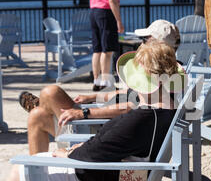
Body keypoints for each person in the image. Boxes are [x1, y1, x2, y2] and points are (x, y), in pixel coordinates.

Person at [0, 40, 185, 181]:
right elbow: (105, 145)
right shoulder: (167, 109)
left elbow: (89, 154)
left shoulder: (141, 120)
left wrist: (68, 153)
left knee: (20, 170)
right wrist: (84, 147)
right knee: (38, 149)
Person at [18, 20, 181, 155]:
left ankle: (48, 111)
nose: (141, 43)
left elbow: (127, 108)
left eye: (145, 40)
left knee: (50, 93)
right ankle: (35, 177)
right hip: (111, 126)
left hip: (105, 132)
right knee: (37, 115)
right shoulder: (171, 72)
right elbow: (131, 95)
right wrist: (91, 97)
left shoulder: (159, 76)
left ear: (158, 44)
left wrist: (84, 112)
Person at [88, 0, 124, 91]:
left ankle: (96, 80)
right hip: (105, 12)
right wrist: (119, 21)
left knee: (97, 49)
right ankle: (106, 82)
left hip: (94, 11)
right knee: (107, 50)